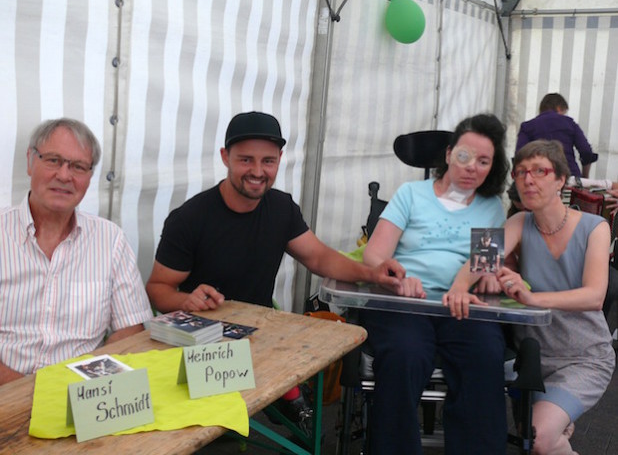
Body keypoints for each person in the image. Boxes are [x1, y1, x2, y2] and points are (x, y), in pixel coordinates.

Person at [145, 111, 405, 422]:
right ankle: (284, 406)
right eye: (246, 160)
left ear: (280, 159)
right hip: (202, 345)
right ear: (225, 157)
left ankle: (289, 407)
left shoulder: (282, 208)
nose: (257, 171)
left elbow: (319, 258)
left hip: (260, 337)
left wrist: (371, 273)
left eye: (268, 161)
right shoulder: (190, 218)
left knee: (308, 392)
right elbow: (158, 289)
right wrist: (186, 300)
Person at [449, 140, 615, 455]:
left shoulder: (596, 227)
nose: (528, 179)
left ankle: (556, 422)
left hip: (584, 357)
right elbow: (478, 260)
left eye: (540, 171)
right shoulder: (516, 222)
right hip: (533, 359)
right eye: (522, 172)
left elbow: (594, 296)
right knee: (535, 436)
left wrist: (531, 298)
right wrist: (463, 285)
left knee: (539, 440)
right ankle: (557, 420)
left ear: (561, 180)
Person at [360, 113, 510, 454]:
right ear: (448, 155)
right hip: (404, 303)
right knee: (404, 354)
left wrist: (488, 274)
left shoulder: (491, 208)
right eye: (464, 156)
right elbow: (374, 256)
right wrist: (399, 278)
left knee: (485, 355)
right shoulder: (411, 194)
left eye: (484, 161)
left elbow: (484, 266)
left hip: (462, 306)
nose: (472, 167)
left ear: (492, 167)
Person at [0, 118, 153, 386]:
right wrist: (27, 391)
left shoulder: (110, 240)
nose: (64, 175)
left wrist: (79, 387)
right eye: (53, 160)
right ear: (29, 161)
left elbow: (131, 330)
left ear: (90, 176)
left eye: (78, 166)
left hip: (82, 395)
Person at [516, 93, 597, 178]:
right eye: (564, 112)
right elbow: (586, 152)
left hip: (539, 177)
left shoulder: (527, 126)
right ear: (559, 108)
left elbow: (520, 156)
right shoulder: (570, 124)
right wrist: (584, 178)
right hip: (569, 176)